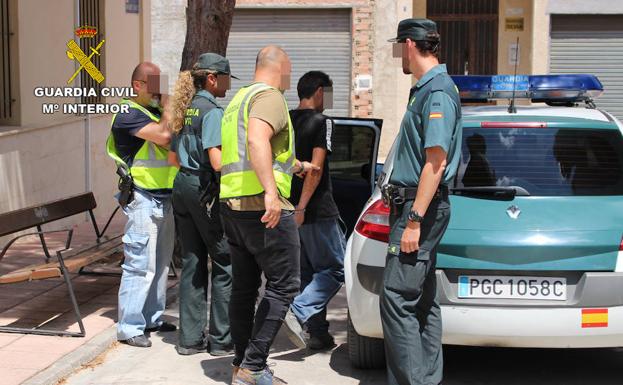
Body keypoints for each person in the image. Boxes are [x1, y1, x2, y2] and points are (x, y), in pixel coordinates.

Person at [219, 45, 319, 385]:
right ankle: (254, 365)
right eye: (289, 70)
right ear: (279, 68)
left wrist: (299, 166)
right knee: (285, 284)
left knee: (244, 289)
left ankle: (240, 364)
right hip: (263, 208)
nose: (290, 77)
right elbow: (257, 141)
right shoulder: (270, 96)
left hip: (233, 205)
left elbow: (265, 151)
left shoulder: (238, 100)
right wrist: (272, 194)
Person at [381, 19, 463, 385]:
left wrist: (414, 219)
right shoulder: (426, 89)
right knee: (423, 301)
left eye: (399, 46)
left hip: (420, 209)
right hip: (416, 206)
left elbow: (436, 161)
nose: (398, 53)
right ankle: (427, 379)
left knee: (396, 298)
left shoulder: (438, 92)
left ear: (410, 45)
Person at [106, 62, 179, 348]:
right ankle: (129, 327)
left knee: (160, 264)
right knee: (140, 265)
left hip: (164, 196)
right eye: (155, 87)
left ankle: (151, 318)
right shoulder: (127, 113)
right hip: (143, 198)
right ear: (137, 85)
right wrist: (171, 102)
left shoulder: (154, 113)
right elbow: (164, 136)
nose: (160, 93)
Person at [167, 53, 235, 356]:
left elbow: (172, 156)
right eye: (225, 79)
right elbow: (217, 161)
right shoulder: (211, 111)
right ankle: (221, 341)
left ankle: (189, 340)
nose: (227, 85)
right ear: (211, 78)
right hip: (203, 189)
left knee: (193, 261)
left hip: (181, 183)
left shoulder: (185, 108)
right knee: (225, 261)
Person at [286, 71, 345, 350]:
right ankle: (297, 311)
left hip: (288, 208)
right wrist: (302, 208)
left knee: (309, 274)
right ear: (320, 91)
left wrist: (292, 206)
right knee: (335, 269)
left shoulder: (285, 119)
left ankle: (318, 333)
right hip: (315, 209)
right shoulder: (322, 122)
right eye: (329, 93)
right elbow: (316, 170)